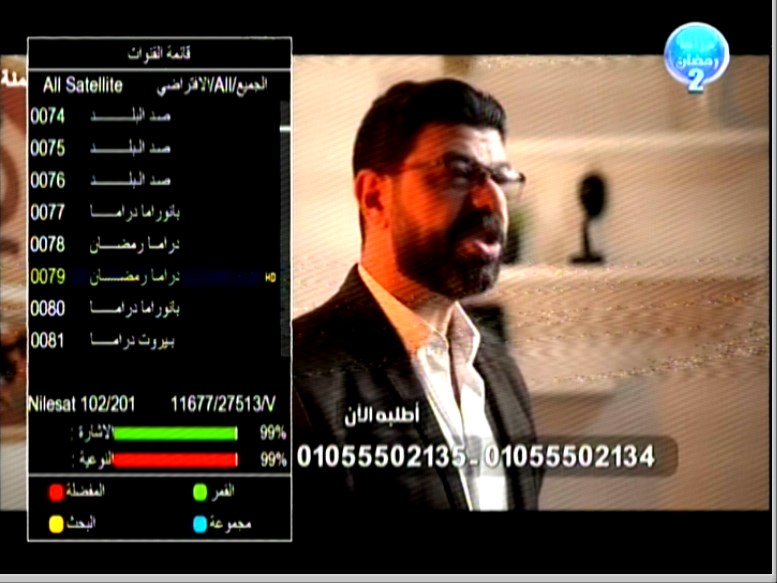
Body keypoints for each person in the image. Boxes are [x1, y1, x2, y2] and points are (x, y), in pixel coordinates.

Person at [293, 78, 542, 513]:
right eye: (458, 173)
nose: (493, 202)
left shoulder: (500, 367)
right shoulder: (300, 381)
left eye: (501, 178)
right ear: (375, 197)